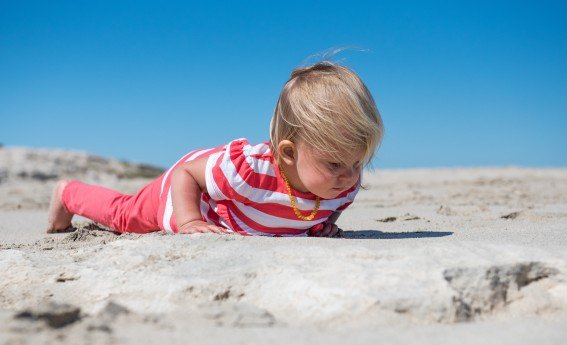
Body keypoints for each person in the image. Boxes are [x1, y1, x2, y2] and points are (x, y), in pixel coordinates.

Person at [47, 61, 384, 237]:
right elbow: (185, 175)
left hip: (225, 206)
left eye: (358, 162)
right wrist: (189, 220)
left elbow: (334, 203)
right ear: (289, 153)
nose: (349, 177)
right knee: (125, 216)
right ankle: (68, 193)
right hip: (186, 192)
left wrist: (320, 224)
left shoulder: (342, 184)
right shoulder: (247, 172)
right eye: (336, 164)